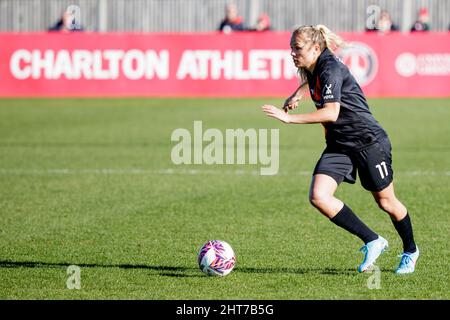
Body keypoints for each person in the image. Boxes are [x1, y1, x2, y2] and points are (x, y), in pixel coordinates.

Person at [262, 25, 419, 274]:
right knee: (319, 196)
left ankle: (410, 251)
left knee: (386, 202)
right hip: (339, 144)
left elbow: (331, 112)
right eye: (291, 47)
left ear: (316, 48)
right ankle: (373, 240)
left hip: (368, 141)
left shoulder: (331, 68)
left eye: (297, 48)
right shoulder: (313, 65)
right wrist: (299, 92)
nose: (292, 53)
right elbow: (311, 79)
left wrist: (289, 119)